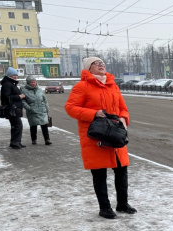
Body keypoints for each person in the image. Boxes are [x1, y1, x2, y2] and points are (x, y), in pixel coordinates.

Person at [65, 57, 136, 219]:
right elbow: (70, 108)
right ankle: (104, 208)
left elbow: (123, 108)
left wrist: (124, 119)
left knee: (121, 170)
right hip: (95, 137)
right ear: (88, 68)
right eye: (96, 63)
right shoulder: (82, 86)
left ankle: (122, 204)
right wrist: (93, 113)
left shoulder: (113, 86)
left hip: (115, 134)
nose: (101, 65)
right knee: (99, 174)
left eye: (102, 63)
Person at [0, 67, 26, 149]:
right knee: (18, 126)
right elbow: (5, 97)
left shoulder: (11, 84)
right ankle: (15, 142)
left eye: (16, 75)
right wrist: (19, 97)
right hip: (12, 109)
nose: (15, 76)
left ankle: (15, 142)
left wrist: (21, 97)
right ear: (9, 75)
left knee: (16, 126)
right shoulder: (7, 84)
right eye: (13, 75)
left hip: (15, 108)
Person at [22, 76, 51, 145]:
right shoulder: (24, 91)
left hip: (42, 110)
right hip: (32, 111)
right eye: (31, 82)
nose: (33, 83)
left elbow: (44, 100)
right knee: (33, 126)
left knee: (44, 125)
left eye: (34, 82)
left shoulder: (40, 90)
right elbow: (23, 101)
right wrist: (29, 108)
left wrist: (47, 108)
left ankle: (47, 140)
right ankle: (34, 139)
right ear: (28, 83)